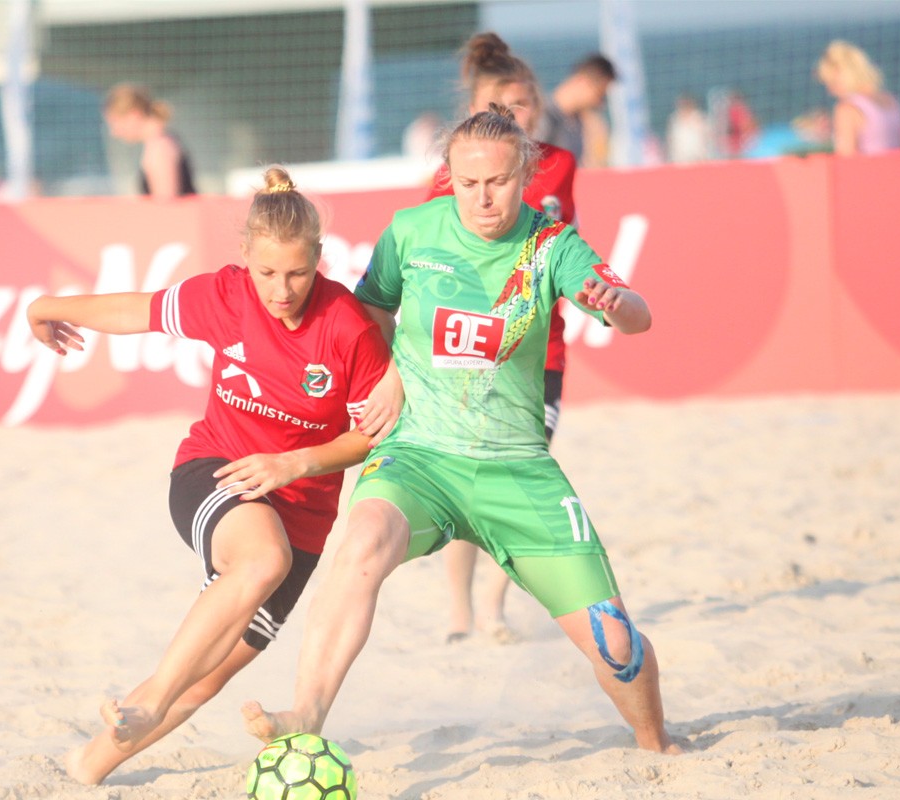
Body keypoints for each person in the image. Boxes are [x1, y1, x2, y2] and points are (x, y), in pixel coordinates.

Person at [243, 105, 682, 757]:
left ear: (525, 174)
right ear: (449, 175)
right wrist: (387, 373)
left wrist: (619, 306)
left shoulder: (552, 244)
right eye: (469, 183)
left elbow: (639, 316)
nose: (483, 198)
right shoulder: (412, 231)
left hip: (517, 469)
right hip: (419, 456)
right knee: (361, 540)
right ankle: (306, 712)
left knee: (615, 641)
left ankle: (657, 744)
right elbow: (369, 312)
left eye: (498, 182)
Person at [26, 166, 391, 785]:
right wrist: (47, 307)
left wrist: (295, 463)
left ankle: (86, 766)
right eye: (267, 273)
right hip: (216, 469)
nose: (281, 290)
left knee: (209, 675)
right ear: (245, 256)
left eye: (298, 274)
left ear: (319, 259)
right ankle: (151, 700)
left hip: (302, 511)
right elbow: (137, 310)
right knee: (262, 560)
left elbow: (367, 435)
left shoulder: (348, 327)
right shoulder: (226, 297)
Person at [426, 32, 578, 644]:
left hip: (541, 352)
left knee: (521, 475)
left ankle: (492, 605)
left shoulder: (560, 163)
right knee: (466, 482)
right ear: (476, 110)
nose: (515, 114)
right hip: (471, 349)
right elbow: (431, 261)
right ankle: (459, 611)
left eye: (524, 103)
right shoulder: (450, 177)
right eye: (502, 105)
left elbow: (565, 243)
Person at [103, 83, 198, 199]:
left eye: (115, 123)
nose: (114, 133)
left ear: (134, 115)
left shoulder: (159, 148)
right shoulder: (163, 141)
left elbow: (166, 204)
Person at [816, 40, 900, 156]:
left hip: (870, 167)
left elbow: (847, 157)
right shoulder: (891, 101)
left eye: (831, 82)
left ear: (840, 76)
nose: (830, 90)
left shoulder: (847, 109)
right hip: (898, 166)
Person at [535, 52, 617, 167]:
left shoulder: (578, 121)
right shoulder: (543, 115)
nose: (600, 103)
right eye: (599, 94)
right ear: (582, 81)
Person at [666, 94, 713, 164]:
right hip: (680, 159)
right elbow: (670, 140)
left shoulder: (699, 118)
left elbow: (708, 137)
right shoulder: (674, 119)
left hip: (697, 157)